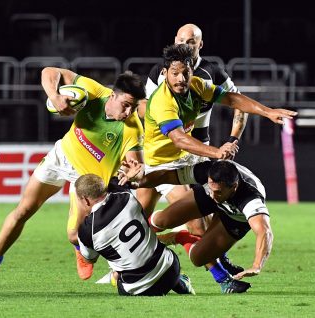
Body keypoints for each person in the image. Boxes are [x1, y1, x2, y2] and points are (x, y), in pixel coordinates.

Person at [0, 67, 146, 294]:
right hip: (61, 157)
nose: (129, 112)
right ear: (112, 95)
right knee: (23, 211)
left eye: (134, 107)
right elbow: (49, 71)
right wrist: (54, 97)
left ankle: (80, 247)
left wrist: (135, 175)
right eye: (126, 105)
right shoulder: (95, 92)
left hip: (87, 181)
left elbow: (136, 166)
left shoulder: (132, 128)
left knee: (73, 234)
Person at [140, 23, 248, 274]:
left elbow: (238, 102)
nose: (185, 45)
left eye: (191, 41)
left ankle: (218, 266)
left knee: (202, 212)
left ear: (201, 44)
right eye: (181, 40)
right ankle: (123, 264)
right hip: (165, 154)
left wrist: (233, 139)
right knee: (142, 215)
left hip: (197, 152)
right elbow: (144, 111)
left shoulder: (212, 73)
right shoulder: (161, 72)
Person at [126, 159, 272, 293]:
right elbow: (166, 176)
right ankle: (147, 231)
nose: (214, 195)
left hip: (233, 217)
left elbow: (264, 232)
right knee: (163, 221)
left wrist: (257, 265)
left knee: (198, 258)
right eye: (211, 187)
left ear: (234, 187)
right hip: (208, 196)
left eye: (218, 191)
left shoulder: (250, 198)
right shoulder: (206, 172)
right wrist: (137, 181)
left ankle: (181, 236)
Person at [75, 173, 197, 296]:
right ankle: (180, 284)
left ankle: (115, 275)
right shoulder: (125, 195)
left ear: (85, 200)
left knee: (121, 268)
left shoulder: (86, 230)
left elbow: (89, 259)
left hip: (138, 289)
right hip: (171, 269)